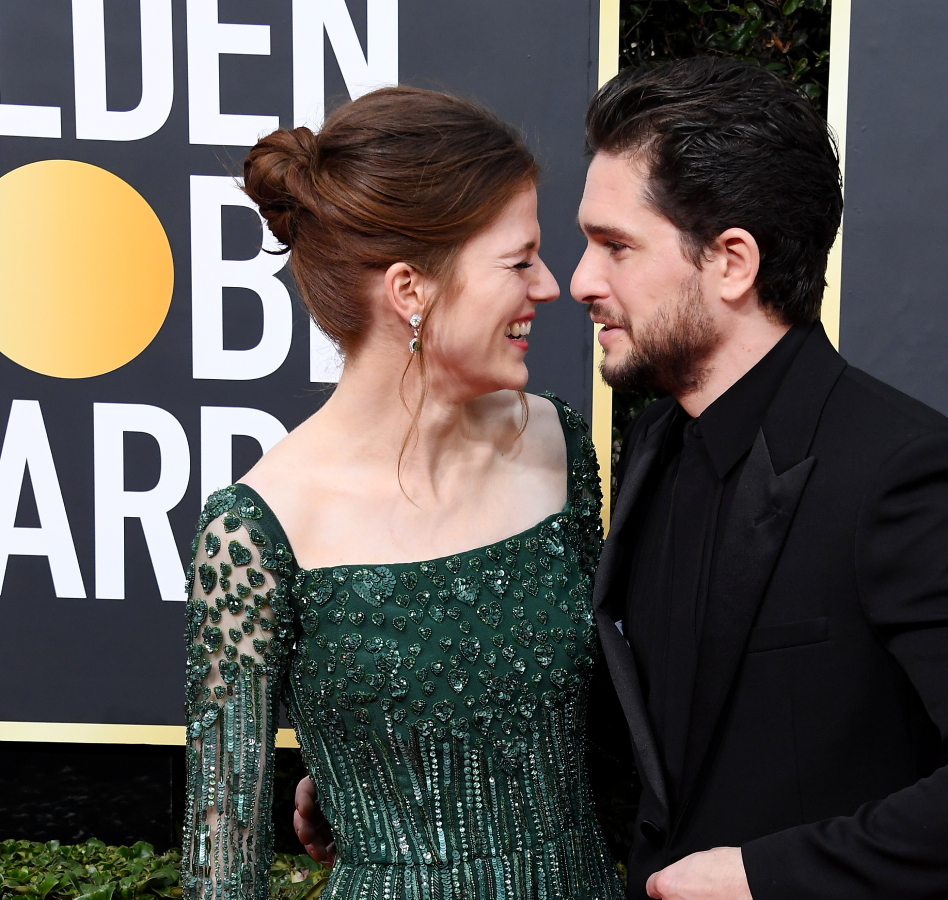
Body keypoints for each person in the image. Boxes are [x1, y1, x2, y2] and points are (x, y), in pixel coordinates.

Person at [295, 59, 948, 900]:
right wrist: (397, 760)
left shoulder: (903, 475)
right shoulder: (655, 443)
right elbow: (644, 738)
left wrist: (764, 877)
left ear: (731, 262)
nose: (579, 282)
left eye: (616, 246)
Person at [182, 86, 623, 900]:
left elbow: (590, 714)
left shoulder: (559, 444)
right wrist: (356, 771)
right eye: (519, 260)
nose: (551, 287)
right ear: (410, 289)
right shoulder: (255, 530)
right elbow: (223, 864)